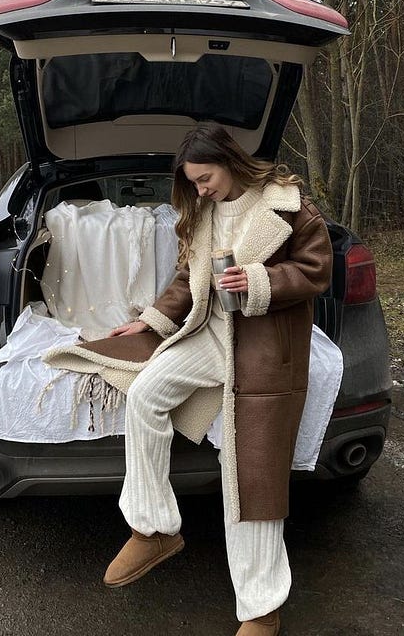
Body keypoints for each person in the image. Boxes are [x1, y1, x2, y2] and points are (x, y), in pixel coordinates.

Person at [54, 121, 332, 636]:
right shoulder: (204, 211)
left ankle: (261, 610)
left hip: (265, 347)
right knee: (145, 393)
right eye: (194, 182)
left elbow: (318, 269)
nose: (200, 190)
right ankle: (153, 527)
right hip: (210, 332)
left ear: (230, 162)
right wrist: (152, 320)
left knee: (251, 477)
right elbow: (188, 277)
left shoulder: (289, 205)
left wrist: (260, 280)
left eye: (205, 178)